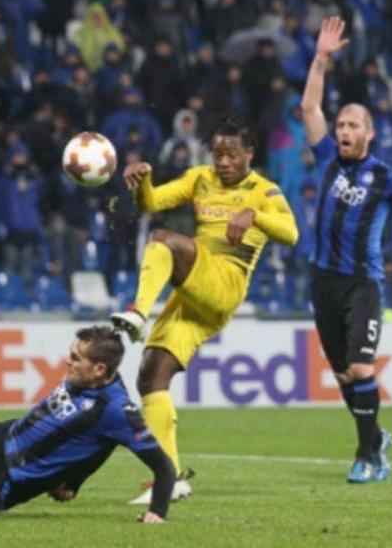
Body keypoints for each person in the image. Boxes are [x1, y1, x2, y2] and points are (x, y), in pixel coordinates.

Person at [110, 117, 299, 505]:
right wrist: (142, 181)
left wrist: (254, 215)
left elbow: (291, 234)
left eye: (232, 154)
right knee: (151, 376)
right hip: (194, 291)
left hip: (226, 283)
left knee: (163, 240)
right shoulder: (200, 178)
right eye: (218, 154)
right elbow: (151, 203)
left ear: (250, 153)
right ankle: (170, 478)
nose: (224, 162)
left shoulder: (264, 191)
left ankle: (138, 312)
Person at [300, 17, 392, 483]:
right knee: (343, 376)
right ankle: (376, 438)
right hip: (324, 281)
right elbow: (309, 106)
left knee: (361, 367)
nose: (343, 129)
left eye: (352, 125)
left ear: (369, 133)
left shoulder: (385, 175)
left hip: (363, 283)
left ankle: (368, 457)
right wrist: (321, 59)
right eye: (340, 124)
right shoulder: (326, 158)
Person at [0, 326, 175, 524]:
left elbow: (163, 467)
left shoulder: (117, 410)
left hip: (3, 479)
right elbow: (100, 442)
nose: (67, 361)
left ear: (98, 369)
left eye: (75, 358)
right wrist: (75, 482)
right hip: (0, 435)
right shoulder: (92, 377)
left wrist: (157, 513)